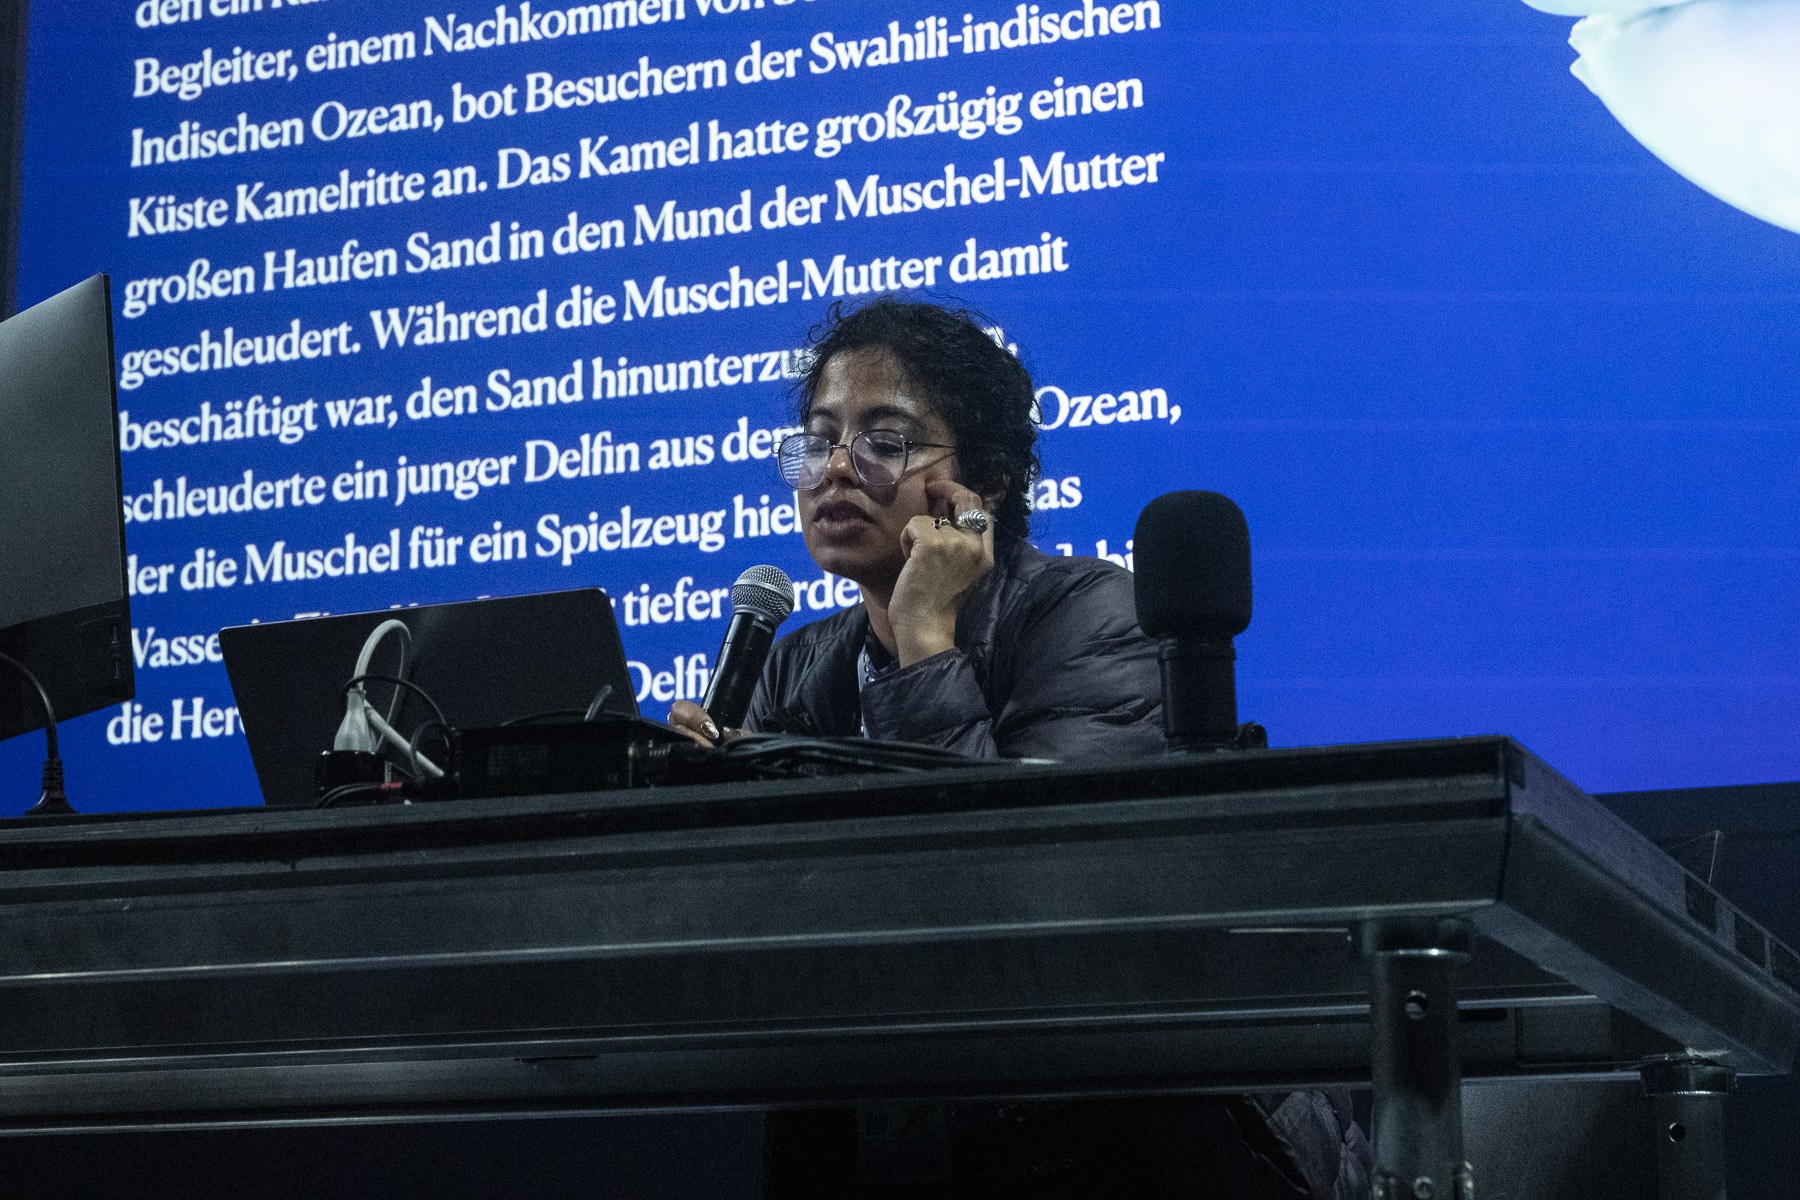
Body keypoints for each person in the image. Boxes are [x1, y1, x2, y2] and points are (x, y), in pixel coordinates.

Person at [670, 297, 1369, 1199]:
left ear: (986, 483)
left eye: (885, 441)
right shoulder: (797, 668)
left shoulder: (1095, 618)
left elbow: (1020, 905)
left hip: (1149, 1112)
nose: (836, 468)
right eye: (819, 440)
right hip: (928, 1101)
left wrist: (927, 639)